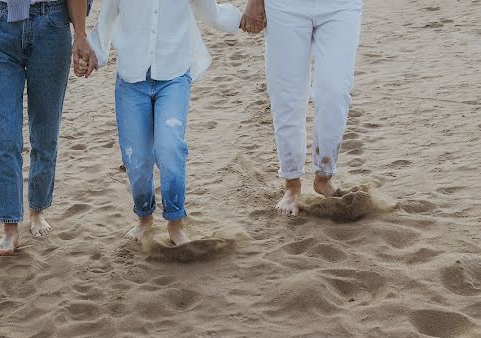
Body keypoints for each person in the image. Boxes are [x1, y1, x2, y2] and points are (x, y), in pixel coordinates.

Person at [83, 0, 243, 245]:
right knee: (136, 158)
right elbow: (105, 20)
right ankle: (144, 217)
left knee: (170, 148)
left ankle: (175, 223)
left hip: (174, 76)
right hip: (131, 80)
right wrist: (94, 53)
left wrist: (243, 18)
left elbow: (212, 13)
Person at [0, 0, 94, 256]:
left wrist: (80, 34)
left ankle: (38, 209)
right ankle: (10, 227)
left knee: (45, 132)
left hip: (52, 25)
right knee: (6, 138)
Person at [244, 0, 364, 215]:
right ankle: (292, 184)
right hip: (284, 7)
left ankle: (324, 176)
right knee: (287, 97)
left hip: (340, 6)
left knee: (334, 91)